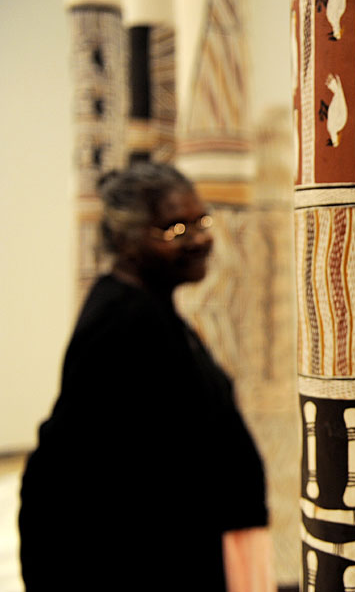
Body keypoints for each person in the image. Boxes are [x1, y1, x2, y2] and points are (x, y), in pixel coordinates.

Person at [19, 163, 272, 591]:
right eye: (174, 229)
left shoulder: (150, 307)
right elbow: (86, 471)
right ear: (126, 240)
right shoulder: (123, 321)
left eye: (201, 221)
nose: (199, 239)